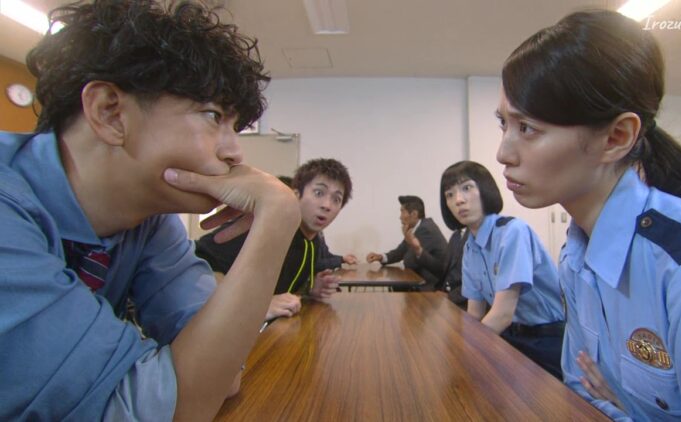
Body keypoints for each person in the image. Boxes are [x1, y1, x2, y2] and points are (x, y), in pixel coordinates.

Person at [0, 1, 301, 420]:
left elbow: (219, 376)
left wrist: (279, 212)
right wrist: (277, 219)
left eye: (235, 127)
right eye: (213, 115)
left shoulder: (149, 222)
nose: (235, 152)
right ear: (110, 113)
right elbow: (168, 407)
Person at [496, 10, 681, 421]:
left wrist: (624, 408)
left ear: (616, 137)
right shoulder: (576, 254)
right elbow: (580, 390)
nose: (503, 153)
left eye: (527, 128)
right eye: (503, 123)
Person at [440, 161, 564, 378]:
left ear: (485, 189)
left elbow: (502, 315)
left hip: (546, 340)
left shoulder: (512, 232)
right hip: (510, 335)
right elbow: (475, 313)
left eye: (467, 188)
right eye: (449, 195)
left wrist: (462, 353)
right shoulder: (470, 246)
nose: (458, 200)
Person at [196, 158, 354, 320]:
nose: (327, 205)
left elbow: (285, 289)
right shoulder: (267, 227)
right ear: (296, 195)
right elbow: (201, 262)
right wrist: (256, 305)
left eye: (336, 199)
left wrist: (310, 288)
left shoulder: (314, 242)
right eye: (319, 193)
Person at [366, 195, 448, 291]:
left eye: (402, 212)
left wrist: (406, 238)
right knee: (396, 284)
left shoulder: (426, 229)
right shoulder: (418, 228)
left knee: (397, 284)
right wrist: (381, 257)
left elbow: (410, 262)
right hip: (420, 279)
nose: (400, 217)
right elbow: (400, 251)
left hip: (432, 286)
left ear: (414, 214)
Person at [440, 228, 469, 309]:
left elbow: (477, 283)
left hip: (465, 302)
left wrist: (449, 296)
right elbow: (446, 267)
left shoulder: (476, 237)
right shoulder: (456, 235)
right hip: (446, 292)